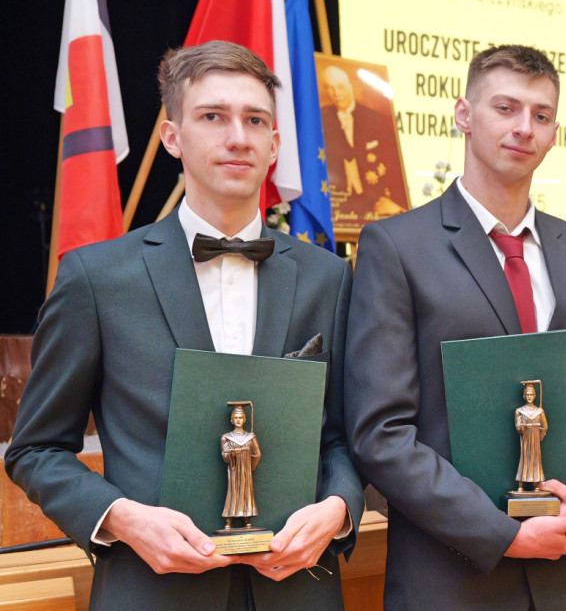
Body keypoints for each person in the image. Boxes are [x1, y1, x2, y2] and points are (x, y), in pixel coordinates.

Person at [5, 40, 363, 611]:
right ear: (173, 137)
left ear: (275, 143)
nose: (238, 136)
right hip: (151, 592)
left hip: (298, 591)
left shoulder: (330, 277)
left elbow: (346, 434)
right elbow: (35, 450)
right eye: (213, 116)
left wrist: (339, 508)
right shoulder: (96, 278)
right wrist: (120, 519)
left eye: (255, 120)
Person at [344, 44, 566, 610]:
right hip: (448, 575)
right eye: (506, 108)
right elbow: (381, 431)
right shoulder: (396, 246)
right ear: (463, 115)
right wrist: (503, 533)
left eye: (541, 115)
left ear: (553, 133)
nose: (525, 127)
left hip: (563, 573)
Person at [320, 64, 405, 224]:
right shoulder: (321, 119)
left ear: (350, 86)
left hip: (377, 203)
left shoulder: (375, 119)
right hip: (338, 206)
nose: (336, 93)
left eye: (340, 87)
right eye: (330, 88)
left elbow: (392, 164)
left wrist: (394, 203)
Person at [221, 405, 261, 529]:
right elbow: (224, 454)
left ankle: (246, 518)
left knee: (246, 492)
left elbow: (257, 454)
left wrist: (251, 467)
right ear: (232, 420)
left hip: (246, 470)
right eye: (236, 417)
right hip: (234, 469)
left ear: (244, 419)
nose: (238, 420)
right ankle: (230, 519)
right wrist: (233, 453)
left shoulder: (251, 437)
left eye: (240, 417)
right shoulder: (226, 437)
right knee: (233, 492)